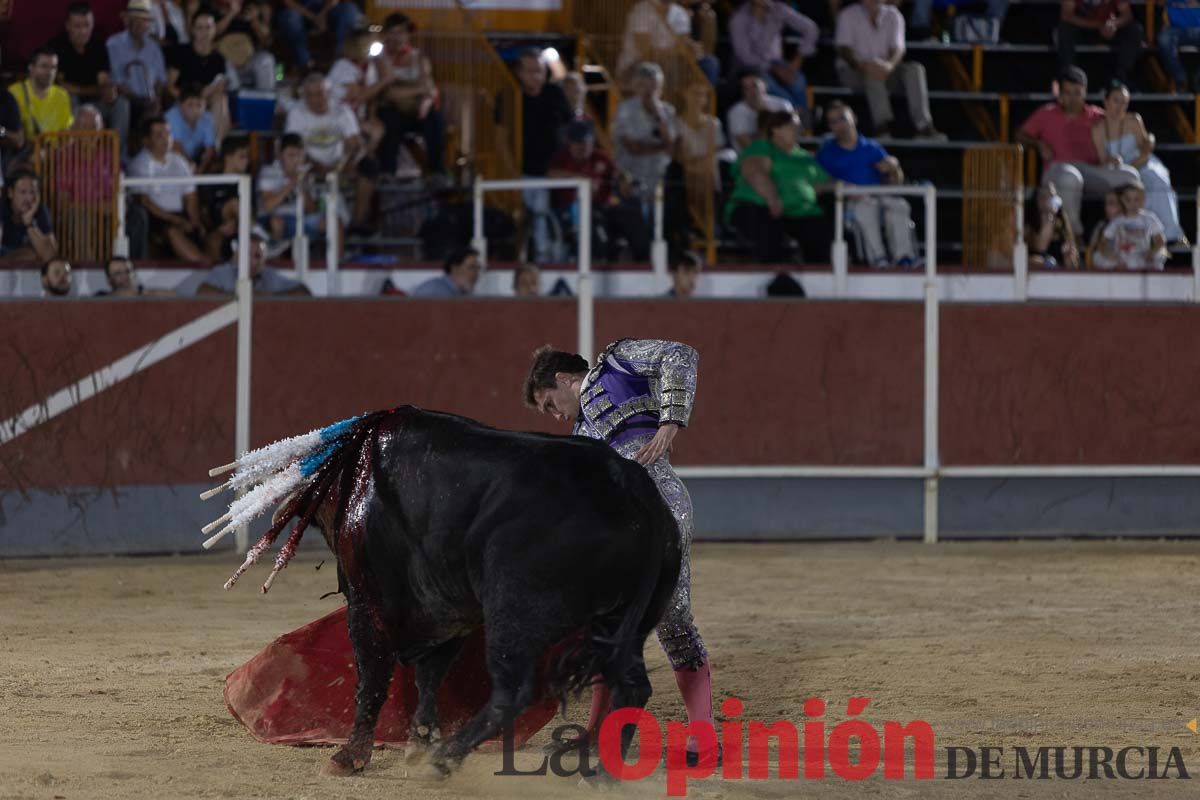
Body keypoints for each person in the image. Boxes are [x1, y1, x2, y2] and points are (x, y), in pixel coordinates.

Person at [523, 338, 716, 767]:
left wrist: (670, 422)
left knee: (673, 619)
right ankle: (596, 736)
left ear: (564, 378)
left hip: (659, 503)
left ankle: (703, 739)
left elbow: (681, 354)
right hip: (612, 527)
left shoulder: (617, 362)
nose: (554, 415)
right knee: (601, 623)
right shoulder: (578, 438)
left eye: (549, 403)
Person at [1016, 66, 1138, 237]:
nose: (1072, 98)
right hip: (1057, 171)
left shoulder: (1097, 115)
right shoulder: (1046, 113)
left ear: (1085, 92)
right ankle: (1073, 236)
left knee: (1131, 177)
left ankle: (1133, 231)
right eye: (1067, 92)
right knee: (1071, 177)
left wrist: (1113, 157)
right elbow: (1020, 135)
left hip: (1091, 170)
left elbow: (1124, 129)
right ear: (1059, 92)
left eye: (1077, 92)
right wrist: (1039, 143)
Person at [816, 100, 917, 267]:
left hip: (879, 197)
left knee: (899, 205)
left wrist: (894, 167)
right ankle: (878, 258)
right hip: (850, 203)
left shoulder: (872, 148)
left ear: (853, 118)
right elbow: (819, 185)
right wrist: (840, 186)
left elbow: (894, 182)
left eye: (842, 118)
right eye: (833, 122)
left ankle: (904, 258)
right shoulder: (826, 155)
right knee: (866, 207)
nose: (839, 125)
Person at [726, 109, 832, 264]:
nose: (798, 131)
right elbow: (755, 172)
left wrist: (852, 190)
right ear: (776, 129)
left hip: (798, 212)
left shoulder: (806, 158)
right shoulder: (762, 147)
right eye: (793, 126)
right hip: (759, 206)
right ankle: (774, 276)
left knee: (819, 228)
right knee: (768, 224)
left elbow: (823, 184)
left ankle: (820, 276)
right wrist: (772, 198)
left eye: (799, 127)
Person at [499, 48, 573, 261]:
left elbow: (569, 129)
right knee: (533, 218)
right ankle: (540, 258)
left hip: (555, 171)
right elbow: (501, 138)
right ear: (519, 73)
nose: (536, 76)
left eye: (540, 71)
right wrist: (511, 169)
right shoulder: (509, 96)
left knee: (554, 218)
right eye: (530, 71)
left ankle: (557, 255)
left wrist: (568, 165)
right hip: (526, 171)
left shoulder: (555, 93)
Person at [834, 0, 944, 140]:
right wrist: (864, 66)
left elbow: (898, 49)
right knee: (872, 73)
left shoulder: (894, 15)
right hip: (852, 71)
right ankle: (882, 127)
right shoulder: (847, 15)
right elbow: (843, 49)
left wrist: (889, 66)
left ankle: (923, 126)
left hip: (884, 70)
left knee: (915, 69)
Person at [1091, 80, 1184, 243]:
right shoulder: (1098, 129)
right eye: (1116, 101)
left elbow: (1145, 149)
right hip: (1118, 172)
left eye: (1124, 102)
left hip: (1142, 163)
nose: (1120, 106)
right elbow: (1102, 159)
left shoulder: (1134, 120)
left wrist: (1133, 163)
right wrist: (1112, 161)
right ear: (1106, 101)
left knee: (1157, 180)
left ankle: (1170, 234)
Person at [548, 118, 651, 263]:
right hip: (573, 210)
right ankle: (599, 258)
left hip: (604, 206)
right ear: (569, 143)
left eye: (586, 142)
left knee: (631, 214)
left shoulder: (600, 157)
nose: (582, 147)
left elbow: (619, 174)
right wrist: (580, 180)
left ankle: (642, 259)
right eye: (577, 142)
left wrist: (624, 180)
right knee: (595, 222)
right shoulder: (561, 159)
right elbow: (551, 175)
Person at [369, 13, 448, 178]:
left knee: (435, 118)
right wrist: (419, 89)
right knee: (390, 118)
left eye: (401, 32)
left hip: (417, 110)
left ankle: (436, 170)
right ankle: (388, 172)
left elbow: (431, 89)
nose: (397, 38)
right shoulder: (380, 58)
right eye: (392, 32)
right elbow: (390, 93)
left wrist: (426, 104)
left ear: (408, 34)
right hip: (391, 109)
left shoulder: (419, 57)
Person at [47, 2, 131, 150]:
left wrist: (110, 90)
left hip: (95, 104)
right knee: (69, 98)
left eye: (87, 25)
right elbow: (61, 86)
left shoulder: (98, 47)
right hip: (70, 104)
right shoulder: (56, 47)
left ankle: (115, 155)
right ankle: (73, 152)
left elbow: (103, 82)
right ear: (68, 26)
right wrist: (91, 90)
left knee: (121, 104)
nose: (83, 31)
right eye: (78, 26)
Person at [128, 115, 205, 262]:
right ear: (146, 141)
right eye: (158, 135)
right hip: (157, 217)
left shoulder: (179, 161)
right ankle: (201, 265)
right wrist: (176, 220)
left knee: (207, 234)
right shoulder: (139, 164)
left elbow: (190, 195)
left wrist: (195, 220)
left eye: (168, 133)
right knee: (172, 231)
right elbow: (144, 201)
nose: (166, 139)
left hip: (180, 215)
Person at [612, 61, 678, 210]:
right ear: (637, 86)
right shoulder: (625, 109)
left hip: (660, 177)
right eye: (646, 86)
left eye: (654, 86)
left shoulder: (668, 111)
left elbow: (672, 146)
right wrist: (661, 146)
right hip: (630, 177)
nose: (650, 92)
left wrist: (658, 115)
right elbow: (633, 147)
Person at [166, 8, 232, 141]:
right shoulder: (182, 52)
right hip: (182, 100)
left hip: (205, 101)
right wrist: (188, 100)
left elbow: (219, 88)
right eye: (200, 28)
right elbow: (169, 86)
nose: (204, 32)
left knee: (222, 99)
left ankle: (215, 147)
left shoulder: (218, 59)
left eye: (208, 27)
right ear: (193, 31)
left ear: (214, 30)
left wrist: (201, 100)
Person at [197, 227, 311, 295]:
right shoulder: (224, 271)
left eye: (258, 255)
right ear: (237, 255)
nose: (254, 260)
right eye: (248, 254)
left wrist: (271, 298)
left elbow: (302, 291)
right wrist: (239, 298)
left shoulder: (268, 274)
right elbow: (203, 292)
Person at [106, 0, 168, 123]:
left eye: (145, 21)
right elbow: (117, 82)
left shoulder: (153, 47)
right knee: (123, 105)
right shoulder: (114, 44)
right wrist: (140, 102)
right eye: (136, 20)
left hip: (151, 100)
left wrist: (156, 98)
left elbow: (161, 79)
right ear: (128, 21)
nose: (141, 24)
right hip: (129, 101)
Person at [1057, 0, 1142, 84]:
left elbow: (1127, 15)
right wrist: (1098, 25)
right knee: (1064, 30)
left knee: (1135, 30)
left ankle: (1121, 76)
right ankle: (1069, 76)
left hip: (1107, 27)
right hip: (1082, 27)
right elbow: (1066, 16)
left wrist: (1113, 24)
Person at [728, 0, 819, 74]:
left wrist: (797, 61)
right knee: (779, 92)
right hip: (749, 70)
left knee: (799, 81)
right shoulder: (738, 19)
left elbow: (811, 28)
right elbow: (746, 58)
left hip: (778, 63)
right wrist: (774, 69)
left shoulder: (778, 9)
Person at [274, 0, 364, 73]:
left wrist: (323, 15)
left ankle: (338, 60)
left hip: (325, 13)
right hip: (300, 13)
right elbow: (288, 2)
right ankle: (306, 64)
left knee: (350, 10)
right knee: (290, 18)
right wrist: (313, 17)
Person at [1093, 182, 1167, 269]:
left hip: (1141, 255)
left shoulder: (1149, 218)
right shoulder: (1117, 221)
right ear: (1122, 200)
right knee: (1097, 257)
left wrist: (1151, 252)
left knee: (1160, 254)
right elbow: (1102, 242)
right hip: (1121, 256)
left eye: (1136, 199)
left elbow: (1160, 240)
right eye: (1128, 200)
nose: (1132, 204)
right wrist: (1109, 254)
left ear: (1143, 200)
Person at [9, 47, 74, 139]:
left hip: (54, 152)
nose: (50, 72)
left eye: (53, 67)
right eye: (44, 66)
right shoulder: (14, 92)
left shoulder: (62, 95)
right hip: (29, 152)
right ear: (31, 68)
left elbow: (66, 132)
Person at [727, 70, 793, 151]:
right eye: (746, 88)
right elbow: (750, 147)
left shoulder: (783, 105)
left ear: (765, 85)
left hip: (783, 155)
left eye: (755, 85)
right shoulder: (735, 112)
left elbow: (792, 136)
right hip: (750, 159)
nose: (751, 91)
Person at [1, 169, 59, 261]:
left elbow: (50, 255)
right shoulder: (2, 208)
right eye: (23, 192)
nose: (28, 198)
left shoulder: (40, 210)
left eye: (32, 192)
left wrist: (29, 223)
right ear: (10, 193)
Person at [165, 85, 216, 169]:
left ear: (205, 105)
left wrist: (200, 171)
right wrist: (191, 167)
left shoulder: (207, 119)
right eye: (190, 105)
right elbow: (176, 147)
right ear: (180, 105)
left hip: (194, 161)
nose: (195, 109)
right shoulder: (172, 116)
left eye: (199, 105)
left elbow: (209, 150)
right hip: (172, 160)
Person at [1158, 0, 1200, 92]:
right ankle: (1180, 78)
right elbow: (1159, 2)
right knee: (1163, 40)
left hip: (1198, 28)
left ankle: (1198, 79)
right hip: (1175, 29)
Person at [411, 246, 481, 297]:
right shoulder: (433, 290)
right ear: (455, 269)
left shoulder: (463, 293)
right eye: (471, 267)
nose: (476, 273)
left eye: (478, 268)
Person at [94, 256, 173, 296]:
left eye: (127, 271)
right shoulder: (102, 297)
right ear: (109, 280)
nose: (124, 275)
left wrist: (142, 292)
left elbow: (173, 295)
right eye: (118, 273)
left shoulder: (144, 294)